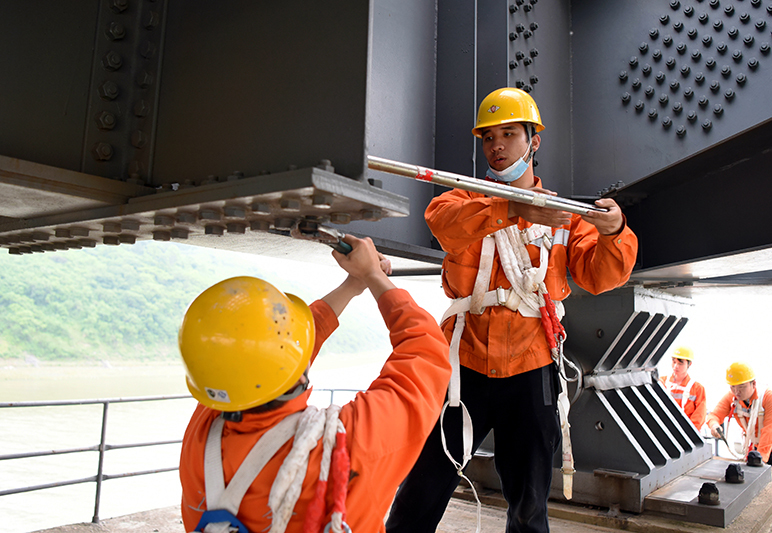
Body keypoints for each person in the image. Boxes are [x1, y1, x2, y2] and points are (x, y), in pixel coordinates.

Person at [385, 87, 638, 533]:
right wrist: (512, 208)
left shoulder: (566, 217)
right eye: (488, 138)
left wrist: (614, 231)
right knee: (422, 490)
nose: (497, 145)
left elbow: (602, 276)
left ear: (533, 141)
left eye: (508, 134)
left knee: (529, 504)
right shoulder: (462, 201)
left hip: (531, 367)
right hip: (464, 368)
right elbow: (441, 223)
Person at [178, 235, 451, 533]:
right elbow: (427, 352)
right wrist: (372, 275)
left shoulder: (203, 431)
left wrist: (353, 285)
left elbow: (269, 357)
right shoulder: (347, 447)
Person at [707, 361, 772, 471]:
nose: (737, 392)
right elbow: (714, 415)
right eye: (733, 387)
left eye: (742, 386)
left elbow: (769, 433)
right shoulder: (731, 398)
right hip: (756, 449)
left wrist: (759, 461)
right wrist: (714, 426)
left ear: (753, 384)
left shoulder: (771, 398)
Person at [659, 346, 707, 430]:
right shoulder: (661, 382)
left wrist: (689, 433)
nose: (676, 366)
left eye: (680, 363)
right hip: (663, 429)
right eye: (674, 362)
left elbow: (699, 416)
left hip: (684, 434)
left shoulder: (697, 389)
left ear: (689, 364)